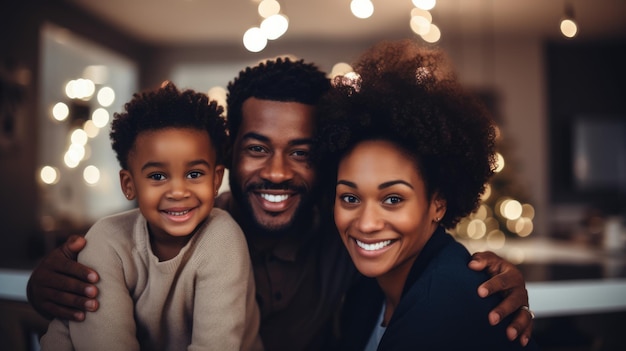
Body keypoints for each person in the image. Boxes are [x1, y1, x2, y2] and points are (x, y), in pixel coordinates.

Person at [27, 57, 534, 351]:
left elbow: (411, 237)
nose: (276, 171)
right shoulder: (178, 228)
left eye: (302, 153)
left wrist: (490, 279)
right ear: (228, 157)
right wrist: (44, 282)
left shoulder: (347, 243)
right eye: (256, 148)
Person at [314, 39, 539, 350]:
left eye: (393, 199)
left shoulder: (445, 301)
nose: (366, 224)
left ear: (438, 202)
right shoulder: (368, 287)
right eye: (350, 198)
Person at [38, 82, 263, 351]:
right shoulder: (106, 240)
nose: (178, 192)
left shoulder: (222, 239)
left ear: (216, 180)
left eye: (194, 174)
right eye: (157, 176)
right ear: (129, 184)